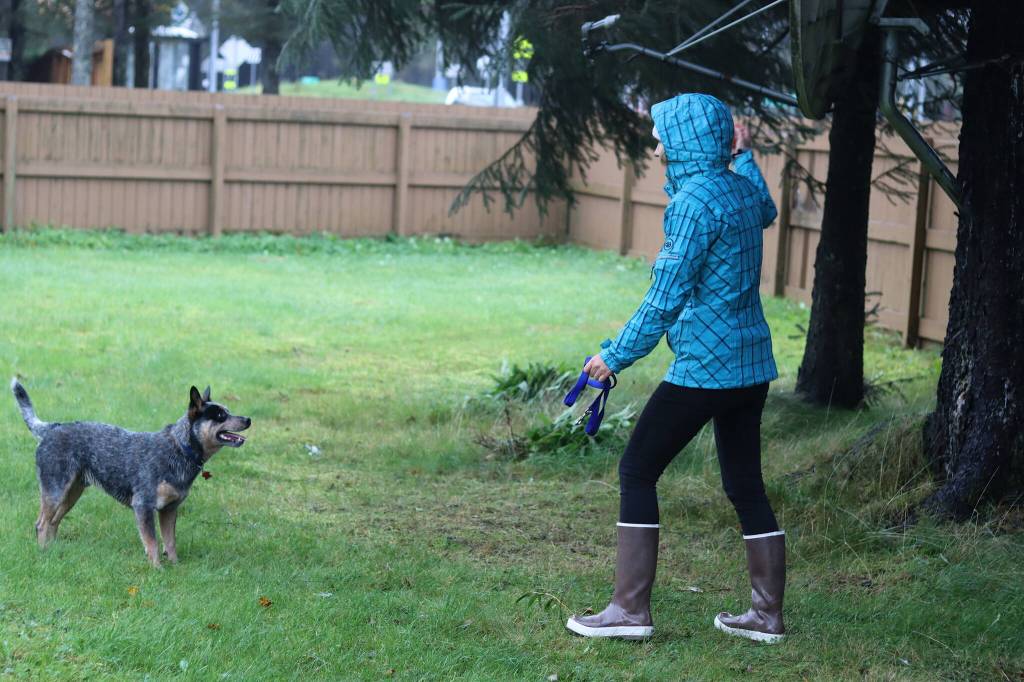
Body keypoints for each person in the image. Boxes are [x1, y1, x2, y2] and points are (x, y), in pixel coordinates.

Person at [565, 93, 786, 644]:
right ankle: (767, 616)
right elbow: (767, 208)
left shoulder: (691, 204)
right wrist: (744, 155)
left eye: (664, 133)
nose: (656, 143)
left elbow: (664, 297)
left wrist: (612, 356)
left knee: (637, 469)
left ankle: (629, 610)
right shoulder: (737, 188)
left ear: (686, 139)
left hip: (707, 370)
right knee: (745, 486)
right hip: (751, 367)